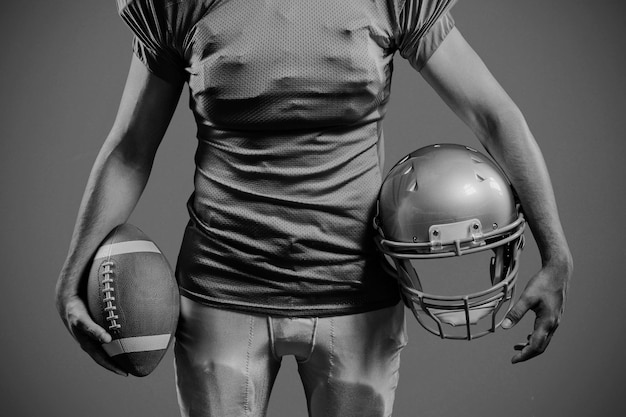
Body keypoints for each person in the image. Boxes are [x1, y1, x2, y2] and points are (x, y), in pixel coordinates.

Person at [56, 0, 573, 416]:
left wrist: (557, 254)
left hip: (357, 296)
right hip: (221, 292)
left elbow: (493, 115)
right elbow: (129, 151)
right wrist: (70, 279)